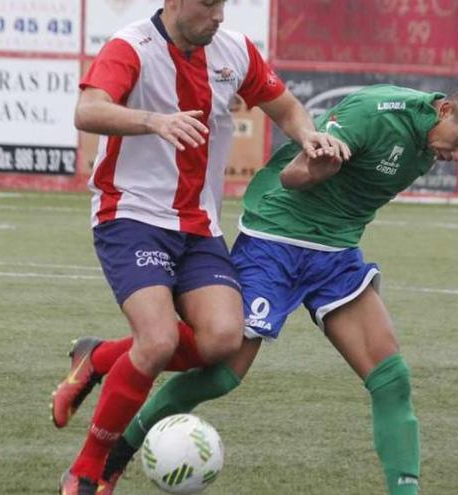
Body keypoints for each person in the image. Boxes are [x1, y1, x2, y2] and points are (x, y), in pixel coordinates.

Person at [61, 81, 458, 494]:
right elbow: (292, 176)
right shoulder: (375, 113)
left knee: (392, 379)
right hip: (276, 239)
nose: (457, 157)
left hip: (336, 253)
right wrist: (316, 168)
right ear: (445, 112)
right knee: (220, 373)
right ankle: (117, 454)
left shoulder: (433, 138)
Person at [52, 1, 348, 494]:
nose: (219, 16)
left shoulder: (233, 51)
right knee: (159, 340)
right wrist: (153, 121)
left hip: (199, 224)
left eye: (223, 4)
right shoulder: (132, 46)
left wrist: (308, 136)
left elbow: (287, 108)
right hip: (132, 215)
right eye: (208, 4)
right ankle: (88, 470)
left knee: (221, 342)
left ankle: (100, 358)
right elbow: (88, 109)